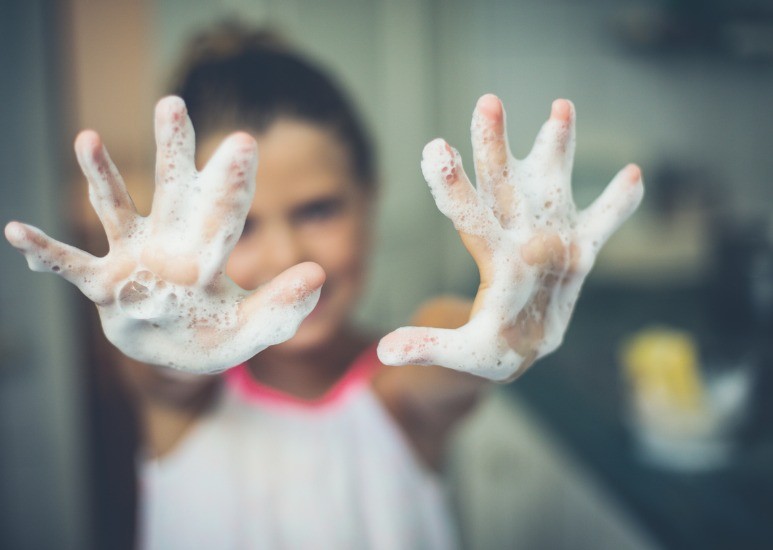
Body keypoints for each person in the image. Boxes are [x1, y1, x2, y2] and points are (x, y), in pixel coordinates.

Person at [3, 24, 643, 549]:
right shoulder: (182, 399)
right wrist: (158, 325)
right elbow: (159, 376)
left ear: (371, 198)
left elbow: (450, 350)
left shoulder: (399, 392)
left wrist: (498, 326)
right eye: (242, 226)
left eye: (318, 209)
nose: (287, 256)